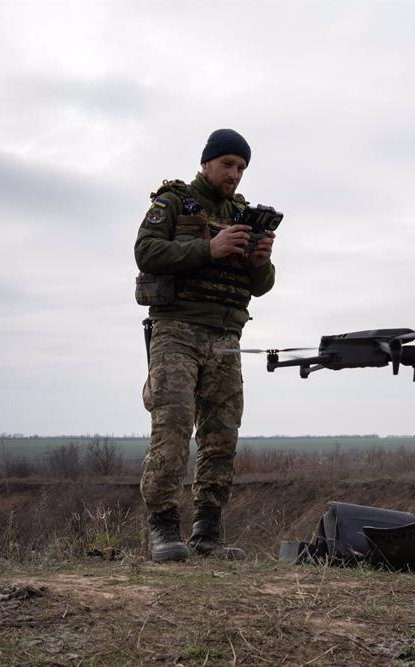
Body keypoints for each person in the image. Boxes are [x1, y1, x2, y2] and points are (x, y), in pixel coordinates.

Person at [134, 129, 277, 562]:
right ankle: (162, 527)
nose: (234, 174)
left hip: (227, 339)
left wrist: (261, 262)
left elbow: (263, 286)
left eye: (241, 168)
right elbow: (146, 251)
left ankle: (207, 531)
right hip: (178, 330)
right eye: (227, 165)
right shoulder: (174, 203)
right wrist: (209, 248)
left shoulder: (244, 214)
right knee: (173, 428)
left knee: (221, 437)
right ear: (207, 163)